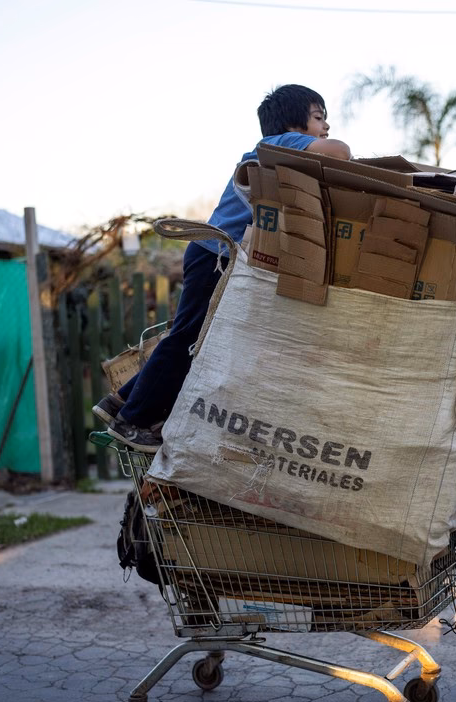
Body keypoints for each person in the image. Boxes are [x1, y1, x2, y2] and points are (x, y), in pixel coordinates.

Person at [95, 84, 351, 451]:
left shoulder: (280, 153)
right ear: (294, 123)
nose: (326, 126)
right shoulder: (278, 144)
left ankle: (120, 400)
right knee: (189, 339)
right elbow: (340, 152)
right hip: (215, 255)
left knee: (197, 338)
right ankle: (133, 421)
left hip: (213, 254)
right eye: (319, 117)